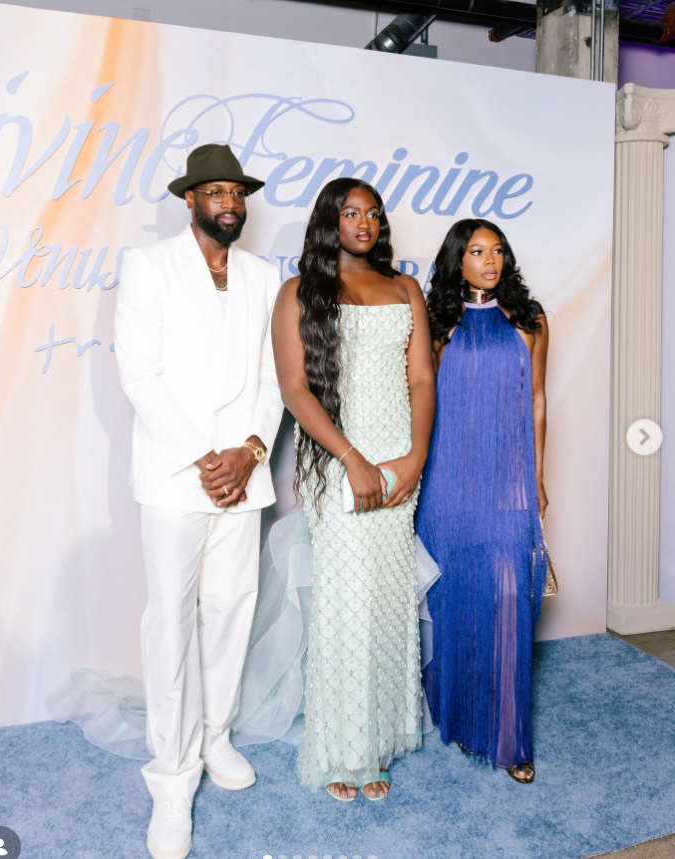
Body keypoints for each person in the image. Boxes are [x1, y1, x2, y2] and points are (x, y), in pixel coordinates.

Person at [114, 143, 283, 859]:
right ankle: (172, 777)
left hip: (244, 474)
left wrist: (248, 451)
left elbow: (278, 374)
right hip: (176, 475)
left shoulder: (263, 274)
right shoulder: (149, 265)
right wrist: (205, 458)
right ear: (190, 200)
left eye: (236, 192)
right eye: (214, 192)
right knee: (171, 626)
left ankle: (216, 738)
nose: (228, 203)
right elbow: (139, 372)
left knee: (231, 613)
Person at [271, 178, 436, 801]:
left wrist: (415, 457)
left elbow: (421, 378)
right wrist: (351, 460)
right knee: (346, 603)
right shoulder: (299, 293)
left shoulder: (404, 289)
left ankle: (379, 740)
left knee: (389, 599)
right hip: (338, 461)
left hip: (398, 460)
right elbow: (295, 391)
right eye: (350, 212)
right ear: (329, 221)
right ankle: (340, 746)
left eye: (372, 213)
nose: (363, 222)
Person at [415, 218, 549, 783]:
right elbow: (419, 403)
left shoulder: (530, 322)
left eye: (497, 251)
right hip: (447, 482)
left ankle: (510, 738)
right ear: (457, 260)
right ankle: (453, 714)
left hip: (506, 481)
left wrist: (537, 476)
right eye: (476, 252)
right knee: (451, 599)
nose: (490, 261)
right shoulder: (438, 325)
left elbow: (538, 401)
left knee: (509, 600)